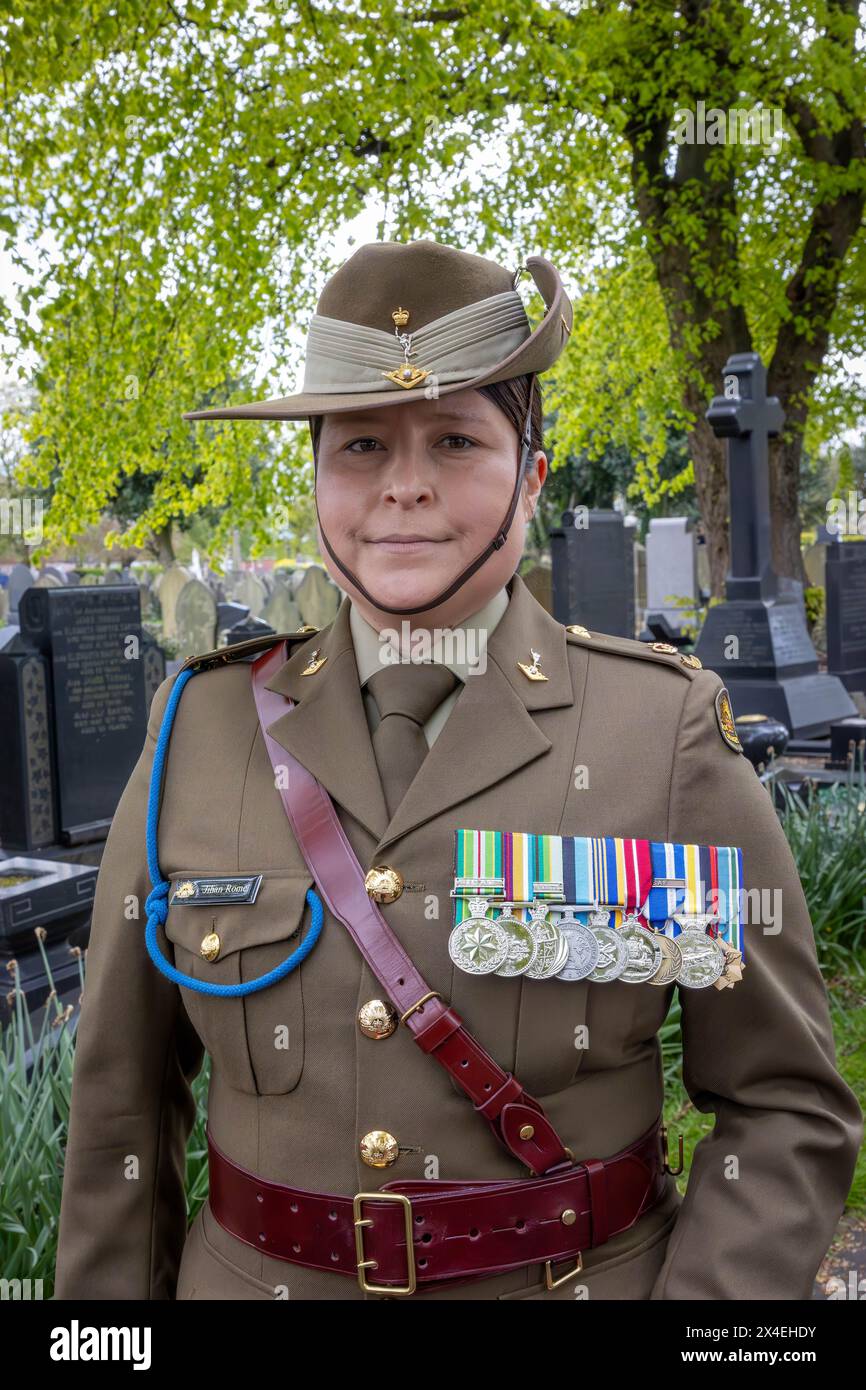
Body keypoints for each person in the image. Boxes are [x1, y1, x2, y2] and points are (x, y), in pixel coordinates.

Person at [54, 238, 862, 1301]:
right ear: (312, 482)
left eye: (452, 439)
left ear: (528, 479)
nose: (403, 488)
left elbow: (781, 1104)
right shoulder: (198, 727)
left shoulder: (652, 735)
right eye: (357, 447)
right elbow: (120, 1100)